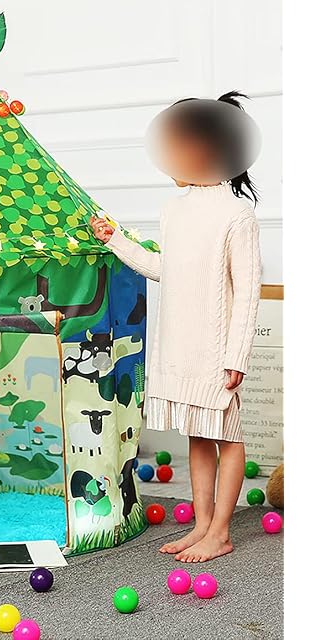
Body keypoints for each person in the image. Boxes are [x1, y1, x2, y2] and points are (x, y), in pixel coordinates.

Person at [90, 92, 262, 562]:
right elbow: (165, 268)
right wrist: (116, 240)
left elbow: (248, 291)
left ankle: (221, 532)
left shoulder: (237, 215)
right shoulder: (174, 210)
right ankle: (203, 525)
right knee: (198, 435)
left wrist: (236, 356)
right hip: (180, 346)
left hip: (216, 351)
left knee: (227, 437)